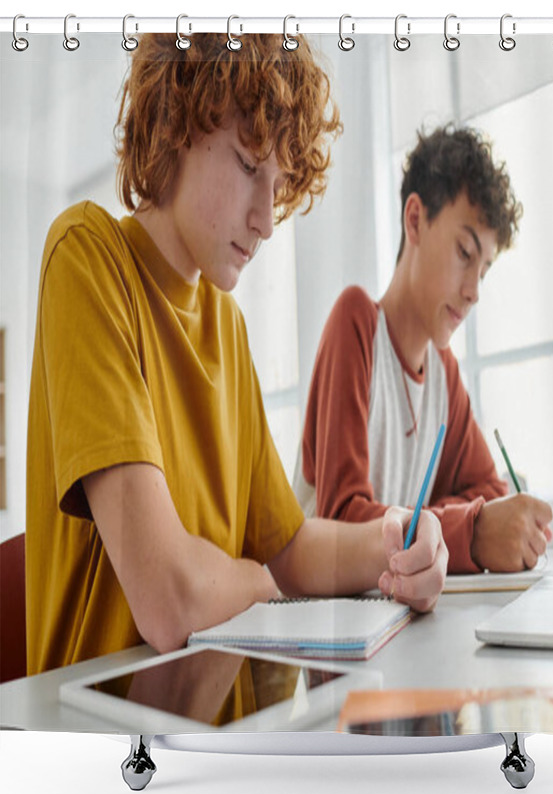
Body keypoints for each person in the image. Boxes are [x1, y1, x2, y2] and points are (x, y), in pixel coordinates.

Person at [25, 33, 446, 676]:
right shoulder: (86, 257)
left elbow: (290, 547)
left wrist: (399, 539)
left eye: (277, 186)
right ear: (172, 123)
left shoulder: (227, 323)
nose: (266, 220)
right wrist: (254, 583)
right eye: (250, 167)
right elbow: (170, 600)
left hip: (217, 707)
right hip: (105, 727)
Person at [294, 126, 553, 575]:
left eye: (485, 270)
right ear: (414, 220)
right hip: (317, 615)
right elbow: (341, 520)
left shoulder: (443, 372)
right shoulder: (355, 324)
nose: (473, 291)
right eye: (464, 252)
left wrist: (429, 517)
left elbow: (489, 488)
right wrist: (459, 528)